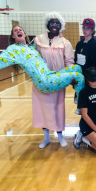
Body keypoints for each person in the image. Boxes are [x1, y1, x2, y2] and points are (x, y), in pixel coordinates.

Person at [34, 12, 75, 149]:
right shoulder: (38, 40)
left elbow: (69, 62)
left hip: (58, 81)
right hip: (42, 81)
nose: (55, 25)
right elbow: (33, 59)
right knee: (43, 108)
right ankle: (46, 137)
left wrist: (70, 77)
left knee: (58, 108)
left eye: (57, 23)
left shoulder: (65, 43)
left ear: (60, 26)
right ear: (48, 24)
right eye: (52, 22)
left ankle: (60, 136)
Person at [74, 18, 96, 114]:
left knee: (89, 105)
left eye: (88, 28)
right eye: (84, 27)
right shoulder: (79, 44)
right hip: (79, 79)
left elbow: (95, 65)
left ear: (92, 30)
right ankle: (84, 125)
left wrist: (90, 80)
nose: (85, 30)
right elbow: (76, 62)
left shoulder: (95, 45)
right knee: (81, 106)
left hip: (89, 80)